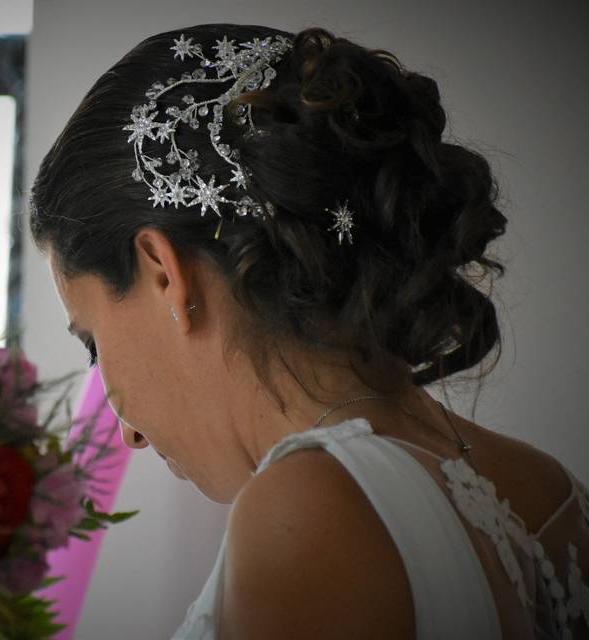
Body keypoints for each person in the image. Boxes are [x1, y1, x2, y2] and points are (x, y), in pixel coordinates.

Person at [29, 24, 589, 639]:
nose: (128, 431)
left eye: (93, 342)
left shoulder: (307, 510)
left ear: (164, 272)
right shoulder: (549, 492)